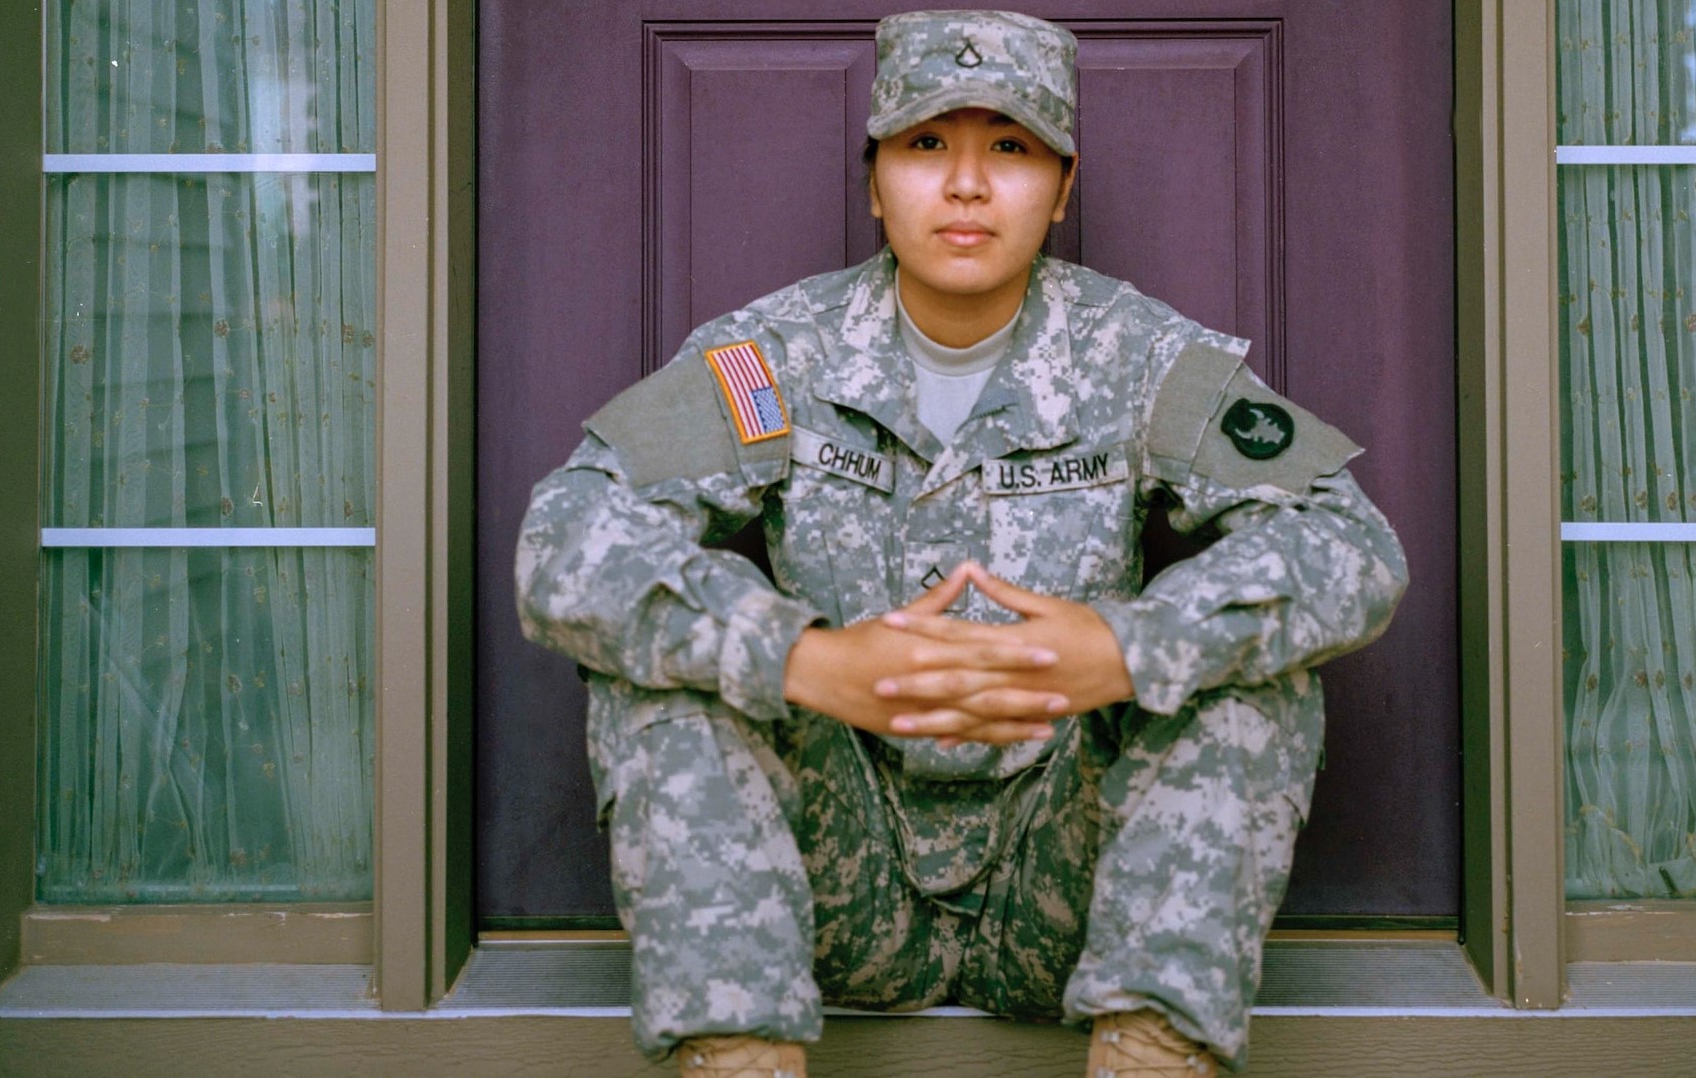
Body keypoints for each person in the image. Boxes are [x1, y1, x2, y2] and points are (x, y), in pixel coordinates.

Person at [516, 10, 1407, 1076]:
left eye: (1012, 148)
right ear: (875, 179)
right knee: (661, 673)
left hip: (1073, 886)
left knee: (1247, 677)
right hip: (829, 886)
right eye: (928, 144)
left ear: (1062, 187)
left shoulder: (1139, 358)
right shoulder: (776, 355)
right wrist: (809, 660)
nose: (968, 185)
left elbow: (1348, 542)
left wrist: (1125, 648)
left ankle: (1153, 1050)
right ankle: (739, 1057)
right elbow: (567, 536)